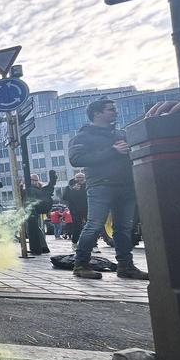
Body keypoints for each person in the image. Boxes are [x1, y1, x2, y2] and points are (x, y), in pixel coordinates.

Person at [67, 99, 148, 280]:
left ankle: (126, 267)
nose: (115, 112)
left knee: (124, 228)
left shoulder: (121, 133)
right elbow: (76, 159)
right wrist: (112, 151)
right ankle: (80, 265)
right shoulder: (83, 136)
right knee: (94, 225)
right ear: (97, 113)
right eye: (111, 109)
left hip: (126, 185)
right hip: (101, 185)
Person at [24, 171, 56, 255]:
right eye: (32, 180)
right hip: (31, 211)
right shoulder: (29, 189)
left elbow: (49, 187)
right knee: (34, 229)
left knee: (33, 229)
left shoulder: (39, 189)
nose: (34, 182)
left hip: (34, 211)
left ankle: (41, 247)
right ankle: (43, 247)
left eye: (35, 180)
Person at [62, 173, 88, 251]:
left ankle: (93, 244)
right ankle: (74, 243)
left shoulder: (87, 186)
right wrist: (72, 190)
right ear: (74, 178)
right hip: (75, 210)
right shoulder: (69, 187)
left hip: (87, 208)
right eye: (78, 178)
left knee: (91, 226)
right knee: (77, 226)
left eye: (82, 178)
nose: (80, 179)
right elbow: (64, 197)